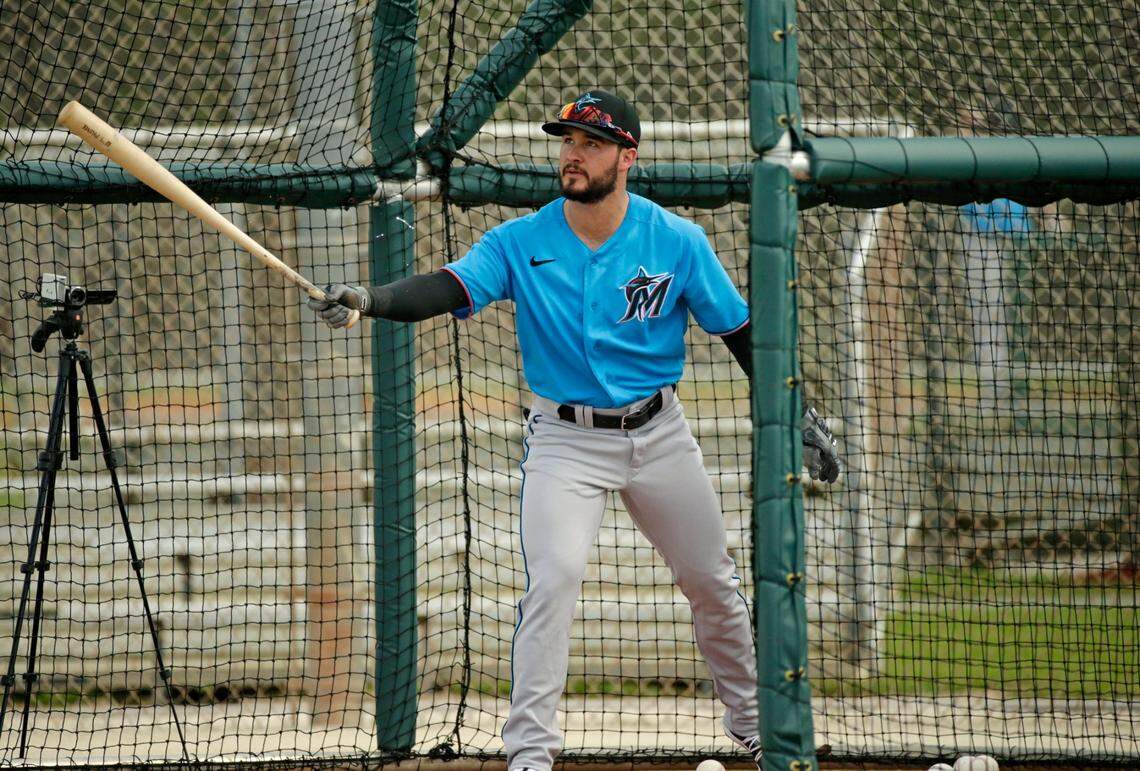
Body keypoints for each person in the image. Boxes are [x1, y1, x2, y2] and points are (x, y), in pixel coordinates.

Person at [309, 89, 840, 771]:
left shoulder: (677, 240)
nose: (573, 154)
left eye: (591, 143)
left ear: (627, 157)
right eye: (567, 140)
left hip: (659, 431)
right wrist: (371, 299)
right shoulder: (520, 241)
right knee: (553, 581)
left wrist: (795, 410)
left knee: (712, 580)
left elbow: (740, 332)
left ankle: (758, 726)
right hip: (566, 440)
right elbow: (446, 286)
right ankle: (531, 756)